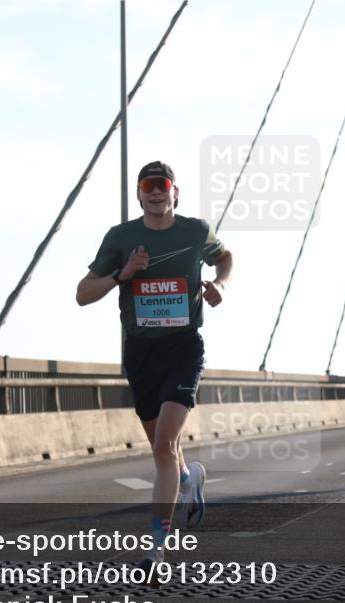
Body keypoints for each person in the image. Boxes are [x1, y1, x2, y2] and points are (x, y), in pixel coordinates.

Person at [76, 161, 234, 570]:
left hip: (183, 349)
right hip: (140, 354)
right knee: (163, 447)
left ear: (175, 192)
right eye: (148, 185)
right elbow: (82, 293)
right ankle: (188, 479)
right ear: (139, 194)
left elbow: (226, 257)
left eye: (163, 185)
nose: (156, 191)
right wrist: (121, 274)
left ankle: (156, 550)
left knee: (164, 445)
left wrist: (219, 285)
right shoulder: (121, 237)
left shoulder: (196, 231)